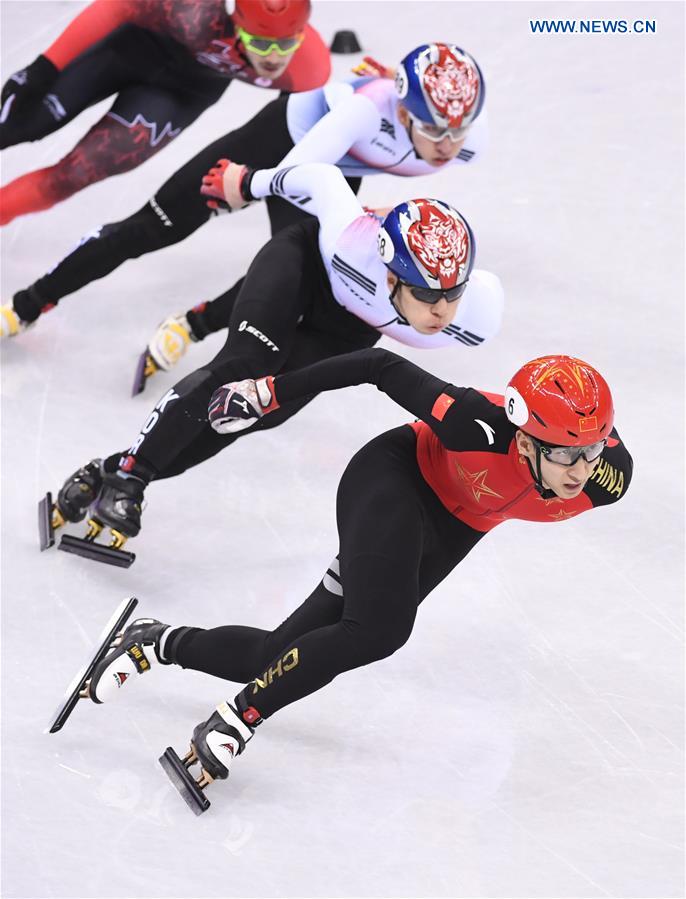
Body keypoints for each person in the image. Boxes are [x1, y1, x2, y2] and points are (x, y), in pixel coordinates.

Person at [56, 349, 632, 812]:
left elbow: (590, 463)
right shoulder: (472, 423)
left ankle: (156, 641)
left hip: (453, 528)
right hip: (394, 479)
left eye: (590, 451)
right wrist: (268, 392)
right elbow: (376, 365)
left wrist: (584, 456)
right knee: (379, 628)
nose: (581, 471)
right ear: (524, 440)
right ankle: (240, 718)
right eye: (566, 456)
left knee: (276, 655)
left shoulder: (606, 478)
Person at [42, 159, 504, 558]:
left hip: (346, 328)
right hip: (304, 265)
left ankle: (108, 470)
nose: (442, 311)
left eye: (454, 293)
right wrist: (246, 182)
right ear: (389, 277)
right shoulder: (350, 240)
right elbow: (322, 178)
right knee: (246, 365)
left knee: (253, 413)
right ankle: (132, 477)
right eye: (427, 295)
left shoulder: (475, 316)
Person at [1, 43, 486, 343]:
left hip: (328, 168)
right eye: (433, 130)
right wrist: (244, 183)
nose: (447, 145)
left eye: (458, 131)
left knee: (294, 271)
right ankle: (29, 302)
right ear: (401, 113)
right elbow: (296, 171)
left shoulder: (469, 141)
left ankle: (193, 325)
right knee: (153, 227)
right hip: (279, 147)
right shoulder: (365, 112)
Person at [0, 0, 327, 229]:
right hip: (124, 51)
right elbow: (116, 6)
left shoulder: (310, 70)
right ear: (237, 26)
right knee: (17, 123)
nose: (273, 58)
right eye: (259, 43)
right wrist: (44, 67)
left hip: (180, 94)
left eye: (287, 44)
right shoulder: (195, 9)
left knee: (75, 174)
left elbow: (284, 128)